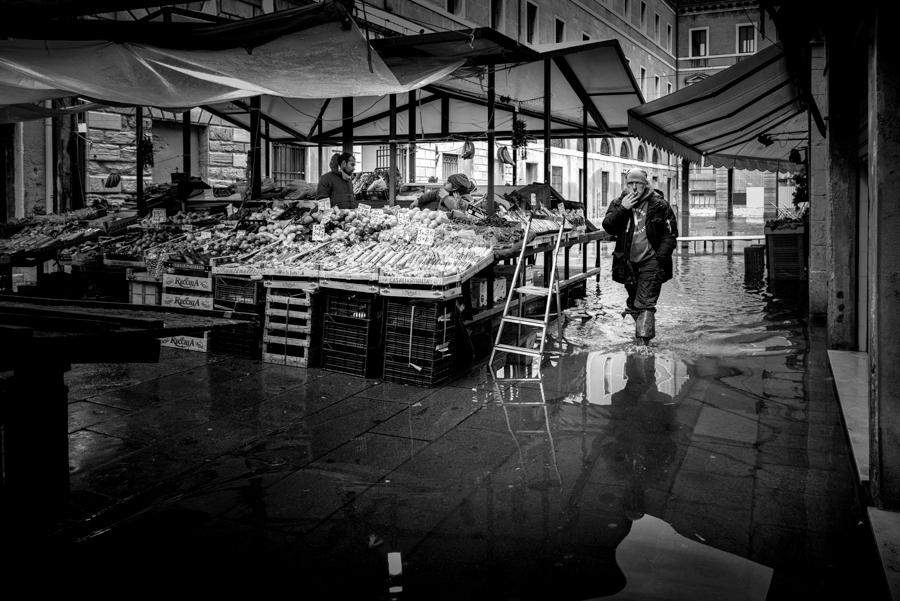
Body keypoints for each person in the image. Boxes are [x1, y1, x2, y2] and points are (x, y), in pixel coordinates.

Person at [602, 168, 678, 346]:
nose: (634, 187)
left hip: (652, 262)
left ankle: (642, 349)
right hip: (627, 263)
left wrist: (660, 259)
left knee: (645, 303)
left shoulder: (659, 205)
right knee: (634, 304)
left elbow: (670, 234)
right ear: (626, 184)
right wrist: (623, 209)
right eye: (630, 183)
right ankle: (642, 338)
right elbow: (608, 227)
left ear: (645, 184)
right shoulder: (618, 203)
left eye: (638, 183)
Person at [412, 173, 477, 217]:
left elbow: (460, 209)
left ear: (455, 187)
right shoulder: (447, 191)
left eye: (448, 182)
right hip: (439, 221)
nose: (444, 183)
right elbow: (433, 194)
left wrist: (446, 197)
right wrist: (419, 200)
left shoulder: (466, 198)